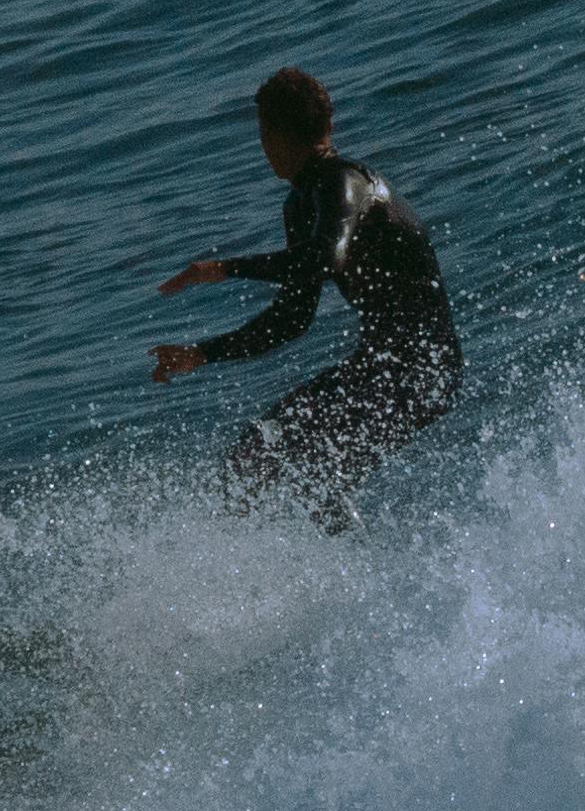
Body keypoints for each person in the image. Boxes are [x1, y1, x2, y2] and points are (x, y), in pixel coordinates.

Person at [151, 66, 460, 525]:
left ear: (270, 137)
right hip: (383, 369)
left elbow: (324, 259)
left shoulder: (345, 185)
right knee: (254, 455)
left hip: (422, 370)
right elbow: (292, 318)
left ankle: (372, 576)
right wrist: (202, 353)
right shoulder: (302, 204)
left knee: (314, 476)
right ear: (326, 126)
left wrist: (226, 268)